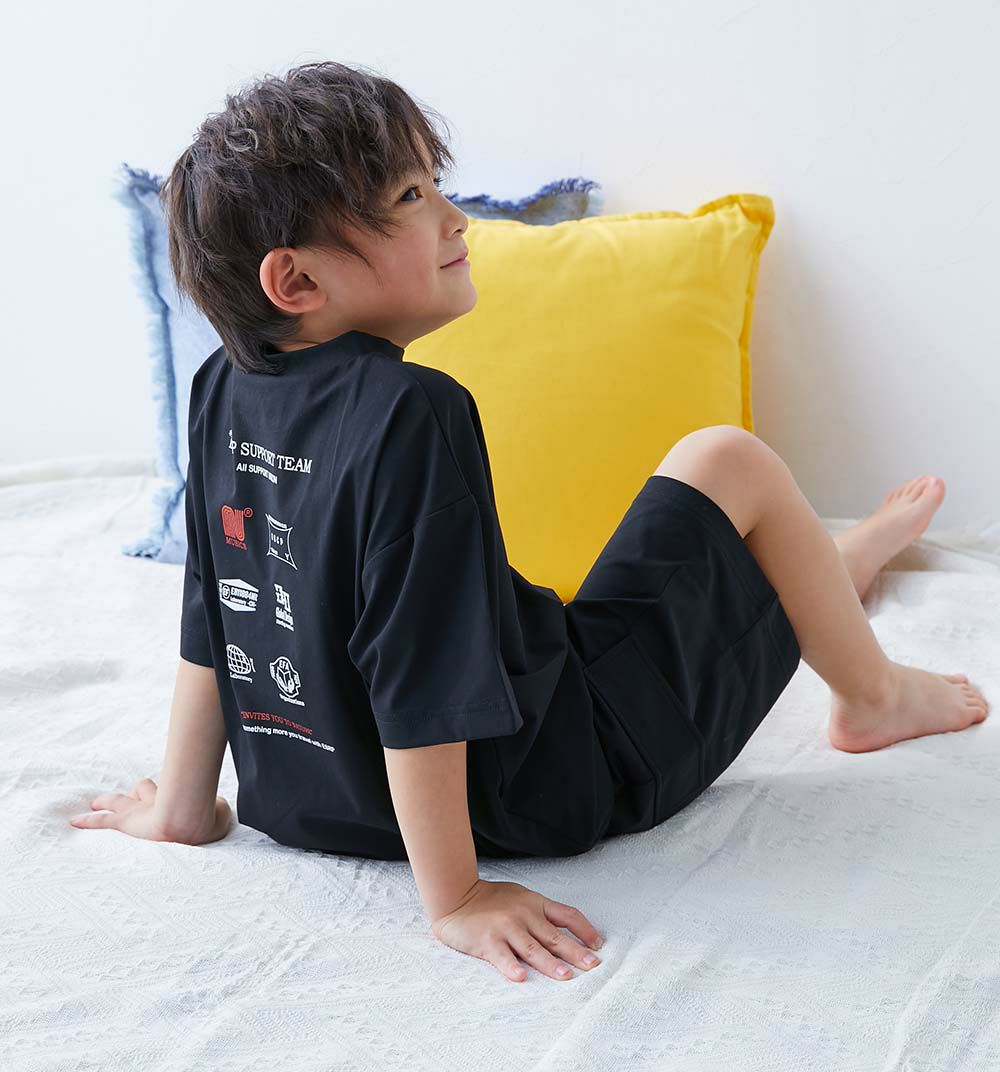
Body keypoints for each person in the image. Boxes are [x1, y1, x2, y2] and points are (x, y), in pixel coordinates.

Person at [68, 61, 989, 985]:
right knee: (729, 461)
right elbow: (420, 668)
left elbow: (222, 602)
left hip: (318, 799)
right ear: (297, 279)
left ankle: (827, 567)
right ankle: (873, 695)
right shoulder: (413, 411)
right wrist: (457, 899)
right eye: (411, 196)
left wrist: (184, 806)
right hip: (569, 775)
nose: (455, 217)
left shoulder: (221, 384)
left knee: (703, 554)